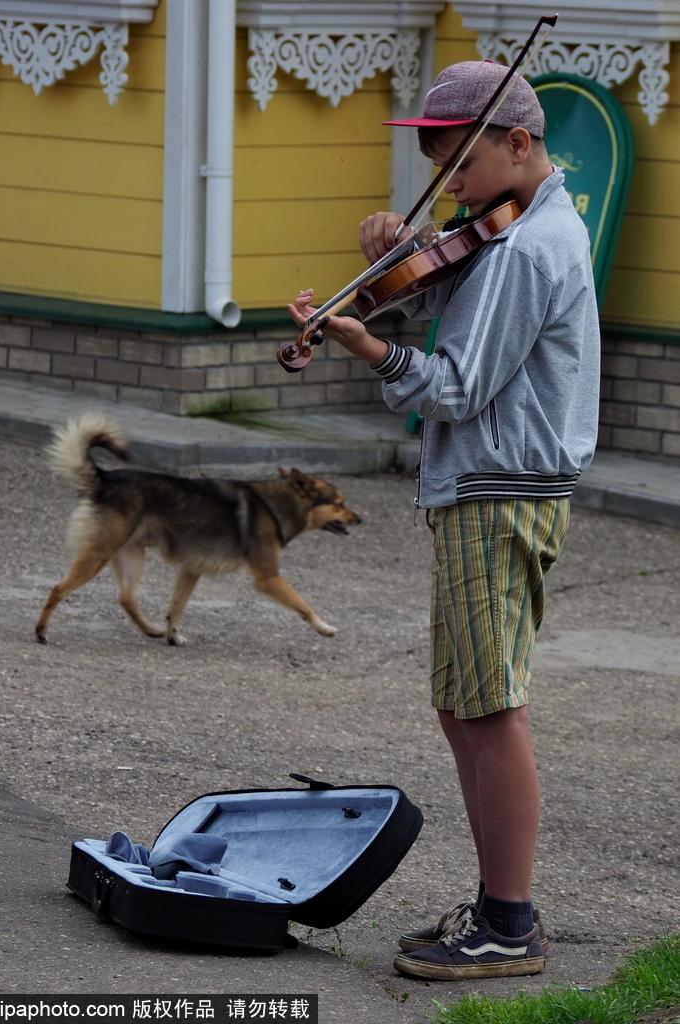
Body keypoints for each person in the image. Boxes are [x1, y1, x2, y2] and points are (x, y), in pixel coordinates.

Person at [287, 60, 600, 981]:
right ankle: (500, 910)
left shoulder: (526, 250)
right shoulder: (509, 232)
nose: (449, 185)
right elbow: (455, 300)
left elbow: (456, 388)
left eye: (456, 163)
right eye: (435, 163)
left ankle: (508, 923)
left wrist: (367, 346)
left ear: (518, 142)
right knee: (465, 705)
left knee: (489, 708)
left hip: (497, 492)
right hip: (493, 490)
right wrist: (398, 263)